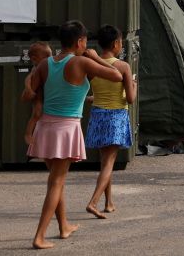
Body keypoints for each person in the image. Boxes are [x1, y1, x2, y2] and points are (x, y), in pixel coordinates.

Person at [22, 21, 122, 250]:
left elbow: (29, 94)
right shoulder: (82, 62)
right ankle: (39, 236)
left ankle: (63, 226)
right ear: (80, 42)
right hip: (65, 129)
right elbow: (116, 75)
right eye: (85, 41)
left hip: (45, 128)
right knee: (56, 182)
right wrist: (96, 57)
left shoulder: (46, 63)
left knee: (57, 181)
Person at [84, 25, 136, 219]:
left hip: (98, 115)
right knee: (109, 163)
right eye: (121, 42)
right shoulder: (123, 66)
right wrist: (134, 86)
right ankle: (93, 202)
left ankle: (109, 202)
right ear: (116, 43)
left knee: (106, 162)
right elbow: (130, 99)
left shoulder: (92, 66)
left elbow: (95, 92)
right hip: (116, 116)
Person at [24, 42, 54, 146]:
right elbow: (28, 79)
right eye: (46, 56)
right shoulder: (35, 68)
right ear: (34, 59)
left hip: (45, 95)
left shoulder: (47, 66)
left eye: (51, 55)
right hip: (37, 96)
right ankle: (28, 134)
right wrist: (29, 89)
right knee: (36, 113)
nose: (50, 58)